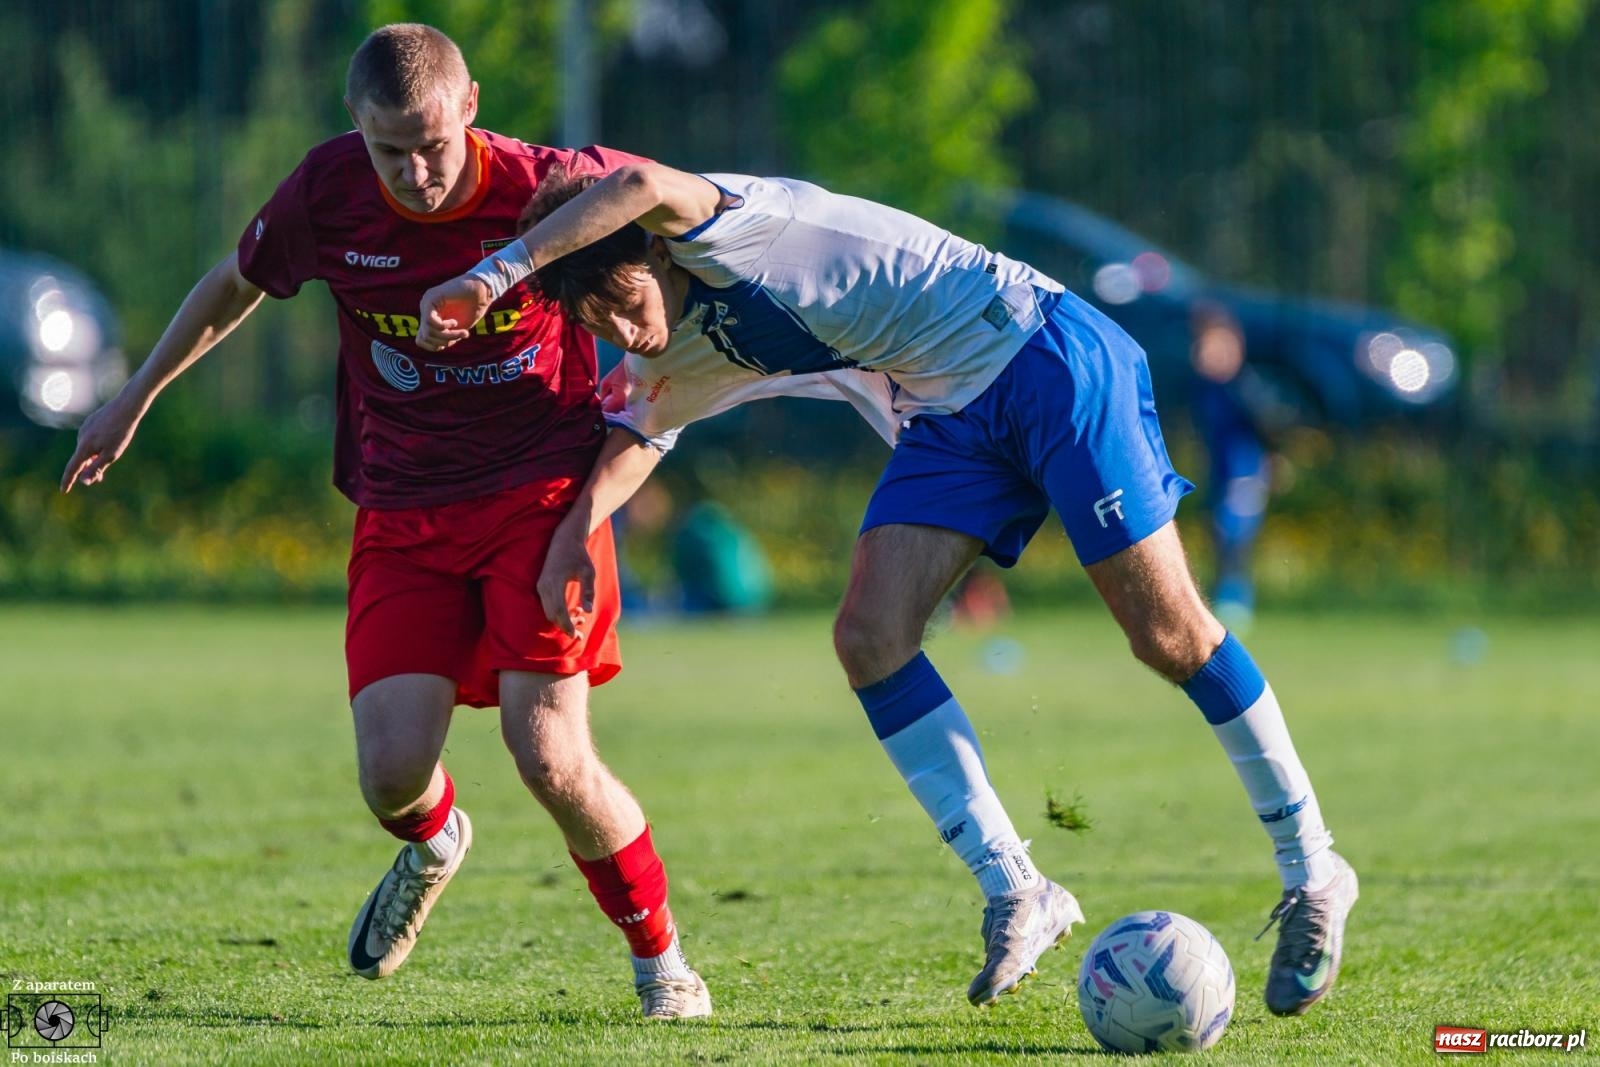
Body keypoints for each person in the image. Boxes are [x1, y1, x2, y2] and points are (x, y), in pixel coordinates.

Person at [417, 162, 1360, 1017]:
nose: (629, 334)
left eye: (626, 303)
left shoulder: (729, 226)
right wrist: (574, 534)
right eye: (599, 326)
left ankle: (1314, 870)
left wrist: (493, 274)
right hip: (949, 415)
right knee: (869, 636)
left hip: (1041, 352)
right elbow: (641, 434)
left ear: (656, 252)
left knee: (1168, 636)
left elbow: (632, 184)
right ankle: (1018, 888)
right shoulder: (671, 351)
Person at [59, 26, 711, 1020]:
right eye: (389, 150)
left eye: (433, 145)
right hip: (403, 506)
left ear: (471, 106)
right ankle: (437, 841)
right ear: (354, 127)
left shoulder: (545, 185)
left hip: (539, 496)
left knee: (550, 755)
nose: (415, 172)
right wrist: (131, 399)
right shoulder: (326, 192)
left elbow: (672, 208)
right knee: (391, 776)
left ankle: (661, 961)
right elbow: (233, 286)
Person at [1189, 303, 1272, 633]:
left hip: (1245, 475)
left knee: (1234, 533)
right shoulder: (1205, 390)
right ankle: (1221, 600)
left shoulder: (1246, 388)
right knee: (1217, 535)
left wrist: (1273, 460)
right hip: (1219, 475)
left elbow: (1270, 427)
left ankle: (1236, 601)